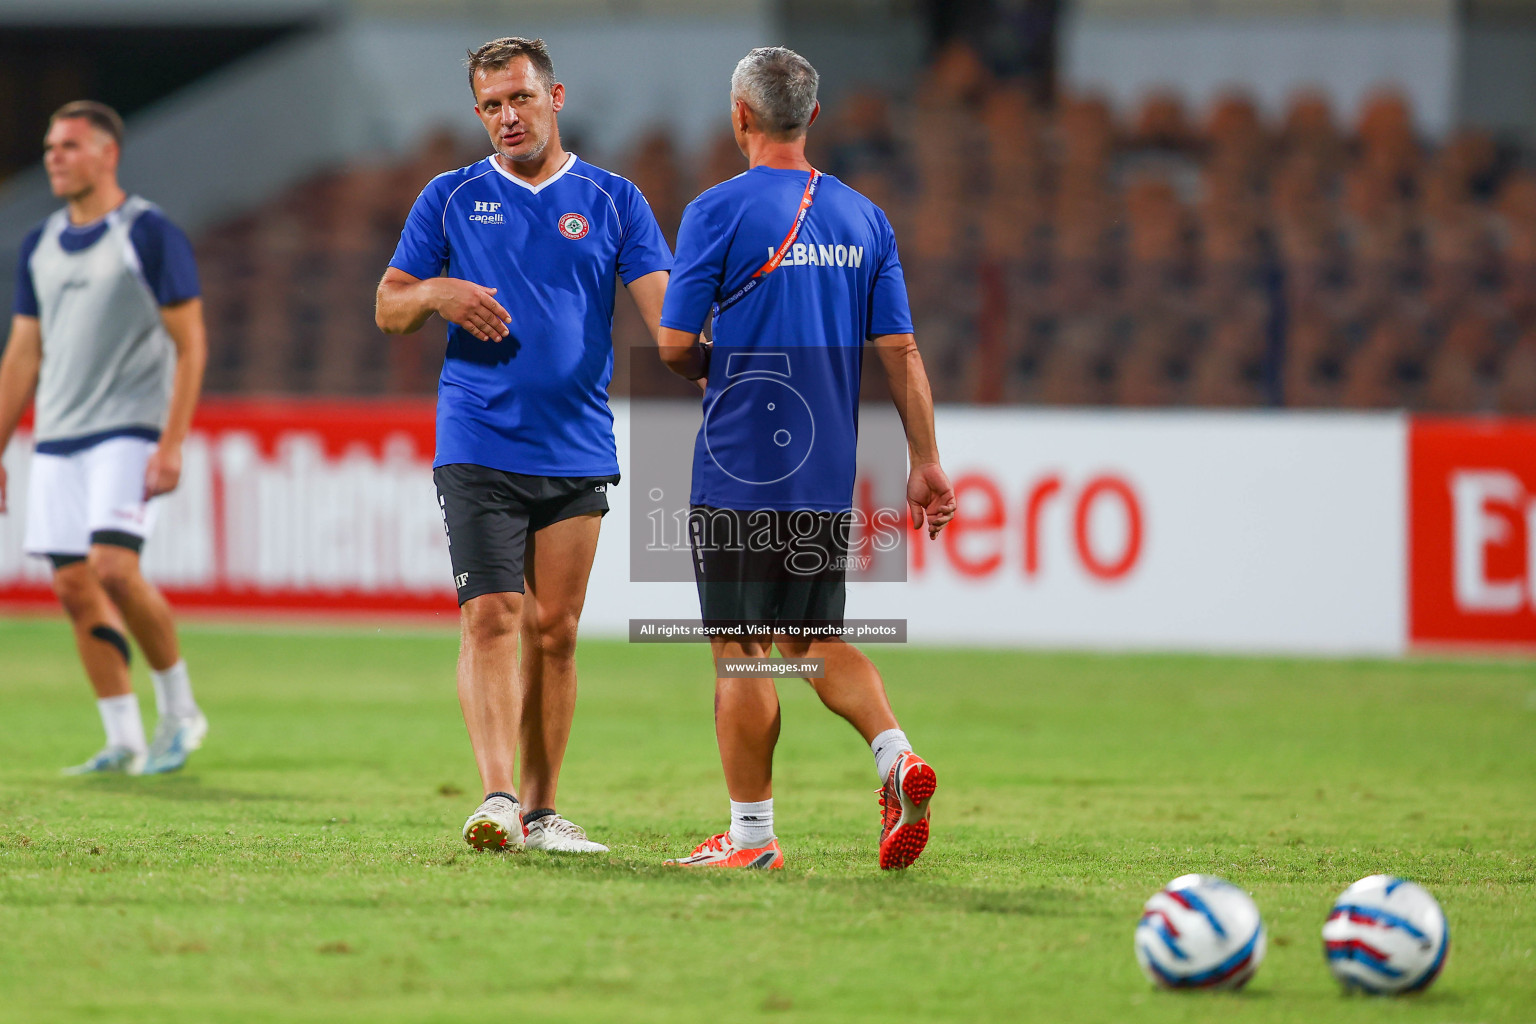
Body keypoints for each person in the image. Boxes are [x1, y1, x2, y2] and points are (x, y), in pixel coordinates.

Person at [655, 47, 957, 869]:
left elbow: (675, 343)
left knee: (740, 649)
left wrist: (718, 362)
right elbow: (900, 350)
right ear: (812, 117)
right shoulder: (865, 219)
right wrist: (925, 460)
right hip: (825, 472)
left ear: (739, 116)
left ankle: (751, 840)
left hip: (741, 466)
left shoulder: (716, 210)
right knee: (809, 637)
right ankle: (896, 757)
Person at [376, 37, 672, 853]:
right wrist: (438, 292)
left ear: (556, 96)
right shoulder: (450, 196)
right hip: (477, 437)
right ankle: (498, 796)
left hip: (577, 443)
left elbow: (669, 322)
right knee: (495, 615)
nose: (507, 116)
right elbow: (389, 305)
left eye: (520, 99)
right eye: (491, 105)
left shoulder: (614, 200)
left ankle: (543, 814)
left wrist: (738, 358)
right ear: (479, 113)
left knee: (559, 631)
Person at [0, 101, 209, 775]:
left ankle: (180, 713)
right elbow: (23, 355)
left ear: (106, 153)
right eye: (50, 146)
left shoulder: (147, 233)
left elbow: (191, 342)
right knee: (71, 586)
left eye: (68, 145)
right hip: (58, 434)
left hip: (127, 429)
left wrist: (172, 441)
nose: (53, 156)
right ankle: (123, 739)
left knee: (115, 569)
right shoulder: (39, 245)